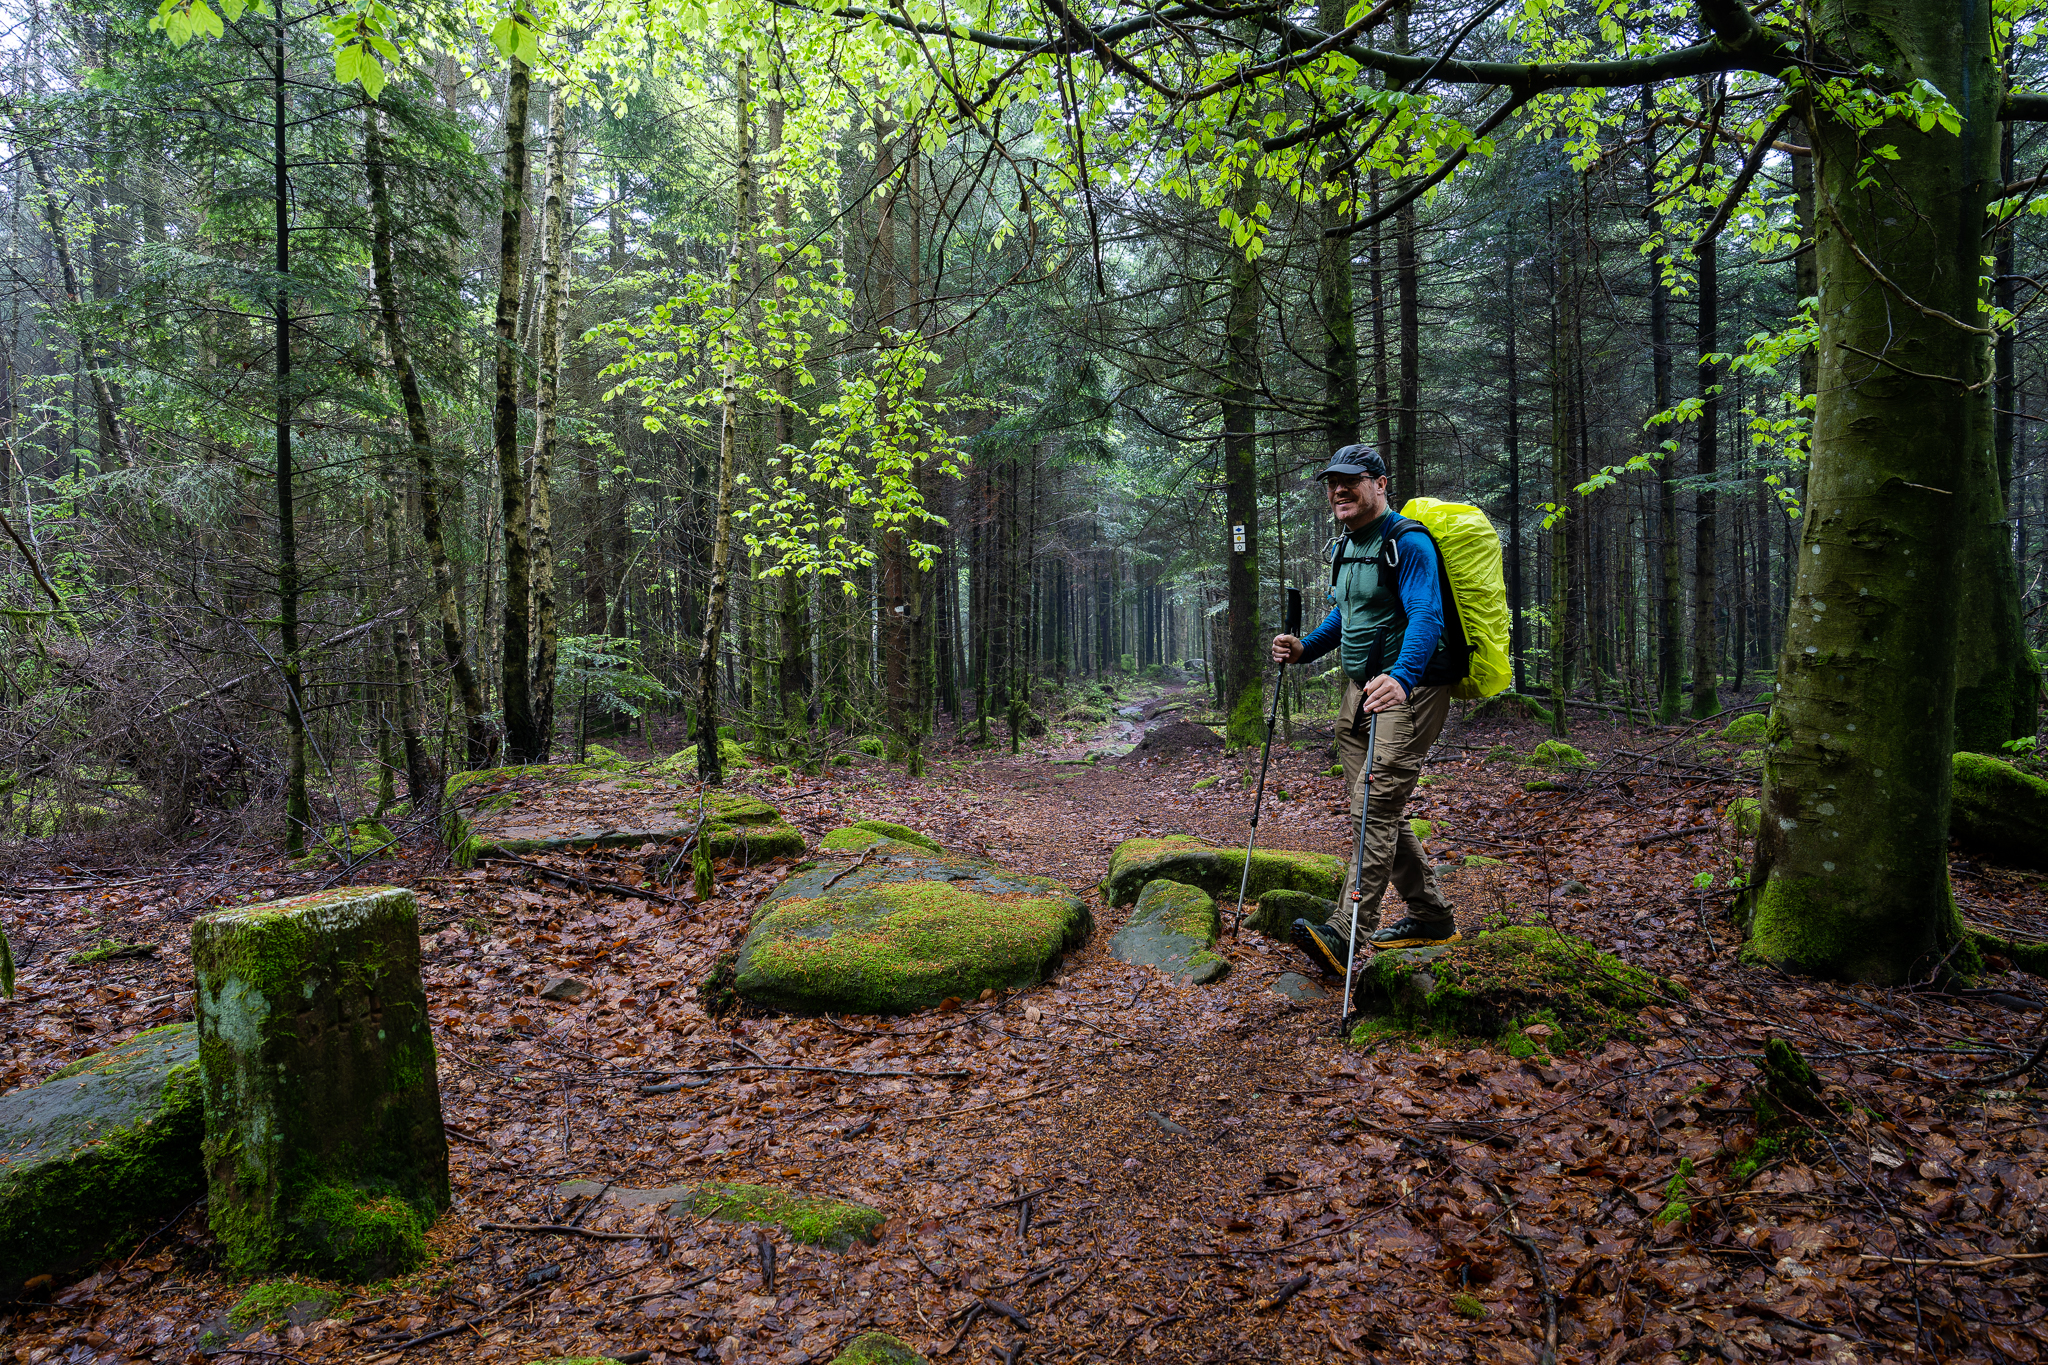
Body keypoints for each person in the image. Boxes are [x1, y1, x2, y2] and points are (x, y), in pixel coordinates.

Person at [1270, 444, 1461, 978]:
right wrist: (1306, 646)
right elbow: (1346, 613)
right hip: (1359, 694)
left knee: (1373, 805)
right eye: (1332, 481)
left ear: (1380, 482)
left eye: (1351, 480)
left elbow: (1427, 616)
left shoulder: (1409, 542)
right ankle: (1431, 917)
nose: (1338, 490)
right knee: (1378, 809)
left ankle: (1347, 931)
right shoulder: (1347, 545)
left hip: (1407, 693)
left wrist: (1402, 678)